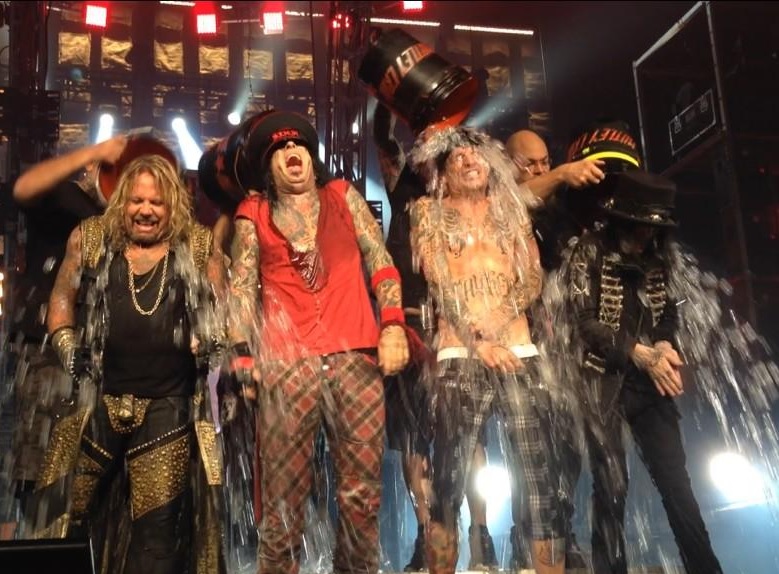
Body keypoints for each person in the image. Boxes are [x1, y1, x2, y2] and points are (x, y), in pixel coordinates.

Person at [227, 110, 410, 574]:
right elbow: (241, 290)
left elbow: (380, 259)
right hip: (286, 365)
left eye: (298, 145)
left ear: (312, 158)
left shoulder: (343, 196)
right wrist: (243, 356)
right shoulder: (253, 214)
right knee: (283, 505)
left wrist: (392, 325)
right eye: (280, 149)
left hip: (355, 357)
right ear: (268, 168)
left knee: (361, 499)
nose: (292, 151)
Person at [40, 150, 227, 574]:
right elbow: (61, 297)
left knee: (158, 537)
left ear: (172, 205)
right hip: (96, 403)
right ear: (122, 200)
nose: (145, 211)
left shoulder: (198, 246)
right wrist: (67, 346)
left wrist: (210, 339)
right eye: (137, 200)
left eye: (156, 203)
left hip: (167, 407)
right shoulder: (90, 239)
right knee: (66, 518)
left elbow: (224, 313)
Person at [408, 125, 565, 574]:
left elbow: (532, 277)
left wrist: (496, 326)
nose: (468, 160)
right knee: (448, 484)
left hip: (517, 350)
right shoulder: (428, 212)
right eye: (456, 157)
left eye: (475, 154)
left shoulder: (510, 208)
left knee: (541, 485)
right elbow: (438, 279)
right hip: (460, 353)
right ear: (443, 173)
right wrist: (479, 341)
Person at [563, 170, 723, 574]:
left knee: (677, 484)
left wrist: (665, 344)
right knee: (611, 485)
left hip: (648, 383)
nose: (645, 237)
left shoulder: (659, 255)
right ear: (621, 221)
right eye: (639, 229)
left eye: (653, 230)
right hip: (601, 380)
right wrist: (636, 351)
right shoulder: (589, 249)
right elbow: (583, 321)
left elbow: (668, 312)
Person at [373, 104, 498, 571]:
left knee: (470, 433)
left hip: (458, 327)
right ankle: (429, 533)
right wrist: (390, 95)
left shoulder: (466, 191)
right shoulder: (405, 185)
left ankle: (480, 532)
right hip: (409, 327)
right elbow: (382, 138)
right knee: (412, 439)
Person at [6, 135, 128, 537]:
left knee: (93, 465)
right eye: (110, 169)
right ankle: (34, 546)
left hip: (104, 353)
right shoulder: (64, 197)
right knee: (41, 458)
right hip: (49, 351)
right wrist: (93, 153)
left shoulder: (127, 215)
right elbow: (24, 187)